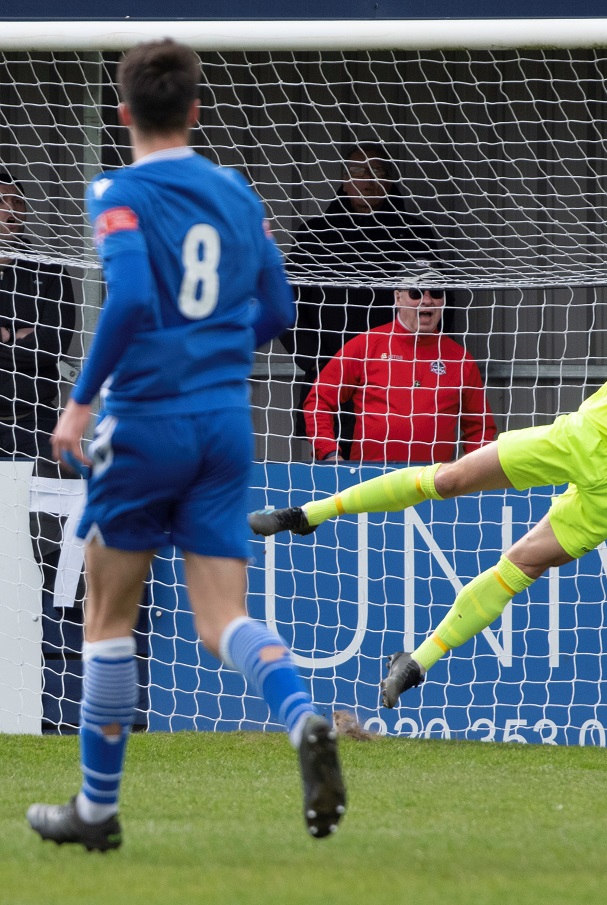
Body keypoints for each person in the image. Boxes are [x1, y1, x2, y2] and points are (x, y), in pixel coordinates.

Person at [249, 88, 607, 711]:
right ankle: (307, 514)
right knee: (448, 481)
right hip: (584, 436)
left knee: (523, 563)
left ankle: (417, 662)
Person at [26, 38, 345, 852]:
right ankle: (304, 715)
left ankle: (97, 811)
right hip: (223, 424)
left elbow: (129, 293)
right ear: (197, 110)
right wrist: (215, 346)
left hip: (145, 421)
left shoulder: (117, 190)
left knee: (107, 617)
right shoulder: (236, 194)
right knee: (223, 618)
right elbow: (280, 305)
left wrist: (78, 403)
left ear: (124, 113)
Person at [280, 144, 449, 456]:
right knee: (336, 481)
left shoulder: (415, 235)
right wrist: (319, 363)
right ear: (343, 180)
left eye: (376, 172)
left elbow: (437, 304)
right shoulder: (315, 235)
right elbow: (287, 305)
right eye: (357, 172)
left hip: (401, 382)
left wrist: (421, 367)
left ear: (389, 181)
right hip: (330, 377)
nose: (366, 180)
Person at [304, 267, 496, 463]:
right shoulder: (367, 345)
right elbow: (318, 399)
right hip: (370, 480)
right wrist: (328, 452)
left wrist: (467, 473)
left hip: (432, 483)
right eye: (416, 293)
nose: (427, 300)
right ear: (398, 297)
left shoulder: (460, 359)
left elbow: (481, 427)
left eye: (436, 293)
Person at [0, 172, 76, 462]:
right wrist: (14, 337)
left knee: (44, 504)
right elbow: (35, 344)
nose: (11, 209)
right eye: (2, 201)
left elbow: (51, 345)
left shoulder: (50, 271)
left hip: (35, 422)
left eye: (17, 201)